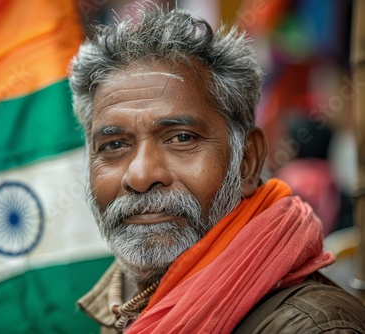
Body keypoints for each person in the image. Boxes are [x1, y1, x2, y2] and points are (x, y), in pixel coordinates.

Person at [68, 3, 365, 333]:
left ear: (247, 162)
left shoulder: (309, 328)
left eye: (181, 138)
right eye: (114, 145)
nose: (140, 176)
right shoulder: (120, 304)